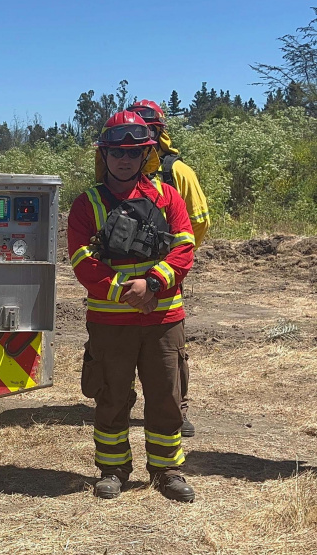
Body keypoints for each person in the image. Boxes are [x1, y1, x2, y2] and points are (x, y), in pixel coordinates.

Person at [68, 111, 196, 502]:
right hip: (111, 323)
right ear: (104, 155)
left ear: (146, 156)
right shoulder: (87, 204)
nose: (123, 159)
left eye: (133, 152)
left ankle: (167, 470)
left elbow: (184, 245)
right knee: (111, 394)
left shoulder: (167, 196)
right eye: (116, 152)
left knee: (166, 396)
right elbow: (81, 260)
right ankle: (112, 470)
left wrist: (153, 282)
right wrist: (129, 290)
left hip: (163, 319)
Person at [127, 100, 210, 437]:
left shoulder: (177, 172)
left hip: (166, 276)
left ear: (159, 131)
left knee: (170, 347)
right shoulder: (120, 169)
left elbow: (199, 222)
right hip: (125, 278)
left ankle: (178, 408)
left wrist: (174, 261)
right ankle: (121, 401)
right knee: (121, 341)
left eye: (148, 128)